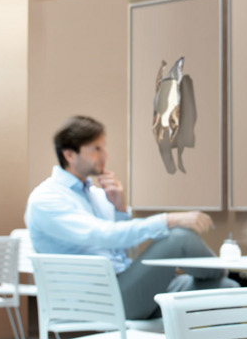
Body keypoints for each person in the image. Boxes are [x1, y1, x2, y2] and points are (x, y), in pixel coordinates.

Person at [25, 116, 234, 320]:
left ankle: (222, 278)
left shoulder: (96, 195)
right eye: (96, 149)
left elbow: (122, 249)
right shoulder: (47, 199)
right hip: (101, 300)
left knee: (227, 290)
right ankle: (221, 271)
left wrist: (119, 208)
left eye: (104, 148)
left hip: (125, 287)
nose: (105, 155)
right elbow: (103, 235)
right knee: (180, 237)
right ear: (70, 155)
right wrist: (168, 220)